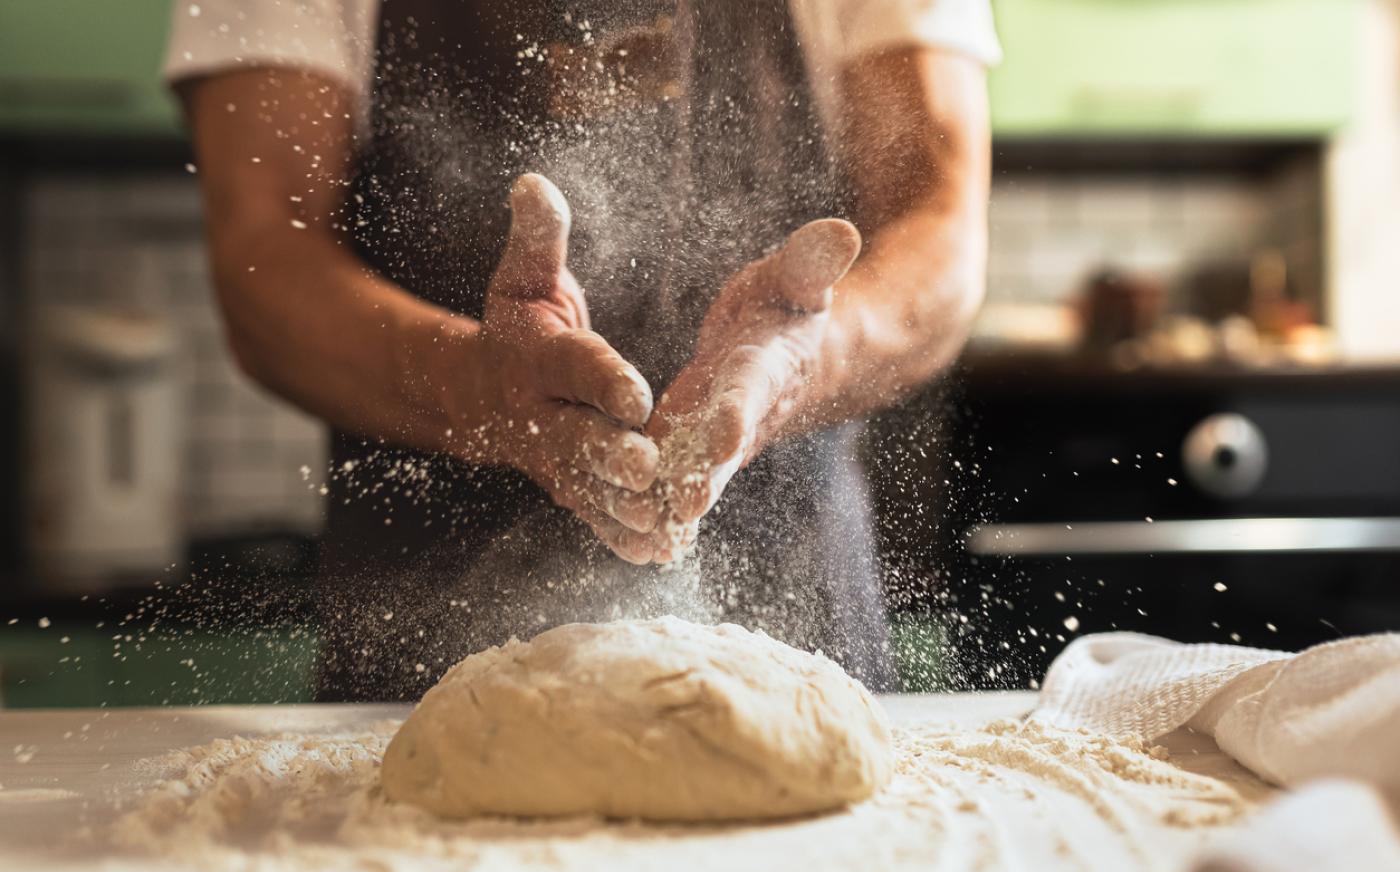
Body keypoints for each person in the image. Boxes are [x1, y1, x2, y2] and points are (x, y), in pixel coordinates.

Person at [164, 0, 999, 700]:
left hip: (798, 627)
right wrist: (474, 388)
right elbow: (264, 261)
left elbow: (940, 231)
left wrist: (801, 357)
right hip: (421, 649)